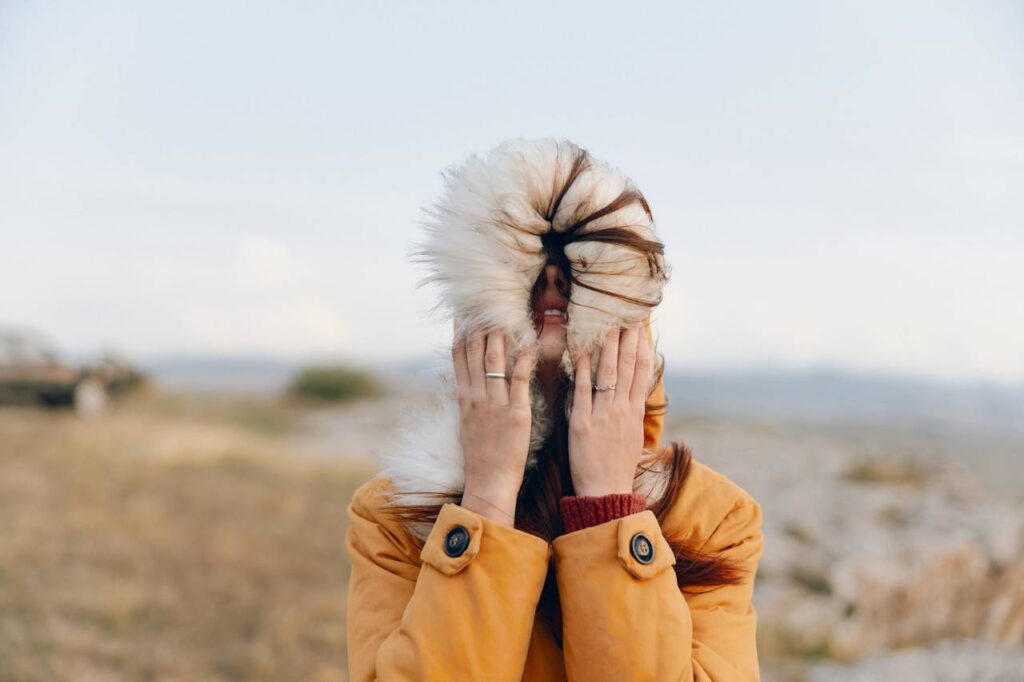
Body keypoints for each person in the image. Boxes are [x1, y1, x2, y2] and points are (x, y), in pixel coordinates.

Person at [345, 138, 765, 681]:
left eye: (576, 256)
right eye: (530, 256)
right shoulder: (394, 515)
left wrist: (611, 512)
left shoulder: (711, 517)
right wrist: (487, 499)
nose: (552, 277)